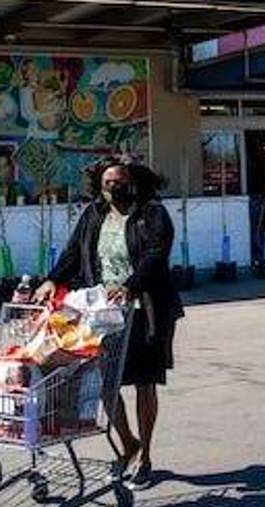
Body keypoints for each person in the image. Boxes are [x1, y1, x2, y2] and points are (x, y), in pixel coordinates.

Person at [32, 158, 183, 491]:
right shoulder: (93, 215)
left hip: (145, 309)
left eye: (119, 182)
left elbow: (156, 255)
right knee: (106, 384)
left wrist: (130, 286)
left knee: (145, 382)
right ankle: (128, 442)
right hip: (103, 312)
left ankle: (145, 458)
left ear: (134, 182)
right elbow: (73, 254)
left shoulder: (151, 214)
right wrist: (51, 280)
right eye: (107, 183)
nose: (113, 188)